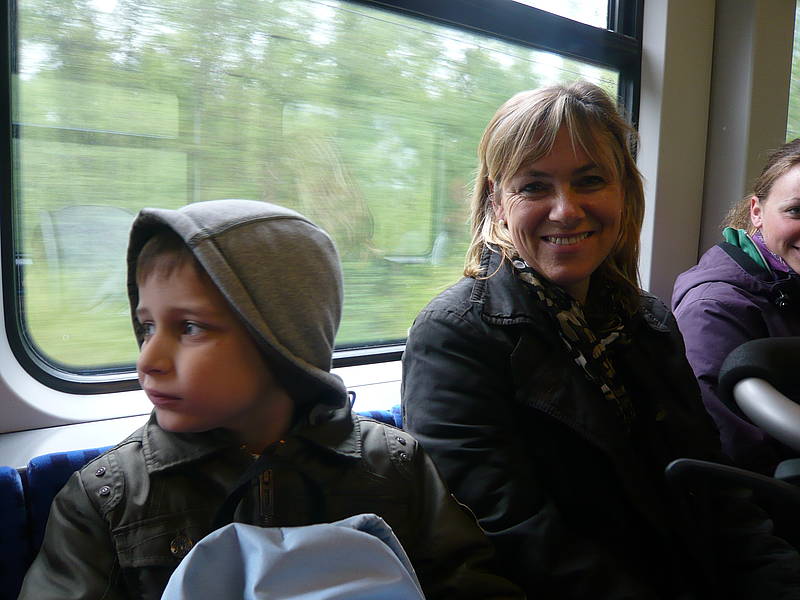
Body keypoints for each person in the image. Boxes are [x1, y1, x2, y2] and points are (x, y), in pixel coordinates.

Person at [401, 82, 800, 599]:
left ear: (624, 192)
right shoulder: (455, 336)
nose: (566, 210)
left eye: (590, 180)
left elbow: (717, 494)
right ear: (498, 204)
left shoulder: (646, 321)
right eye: (534, 186)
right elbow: (514, 537)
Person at [19, 199, 523, 600]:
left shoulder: (394, 467)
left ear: (283, 343)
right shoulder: (110, 497)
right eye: (147, 326)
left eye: (190, 328)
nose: (148, 359)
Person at [672, 139, 800, 475]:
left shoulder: (792, 280)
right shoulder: (713, 310)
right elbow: (732, 460)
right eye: (796, 211)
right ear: (757, 212)